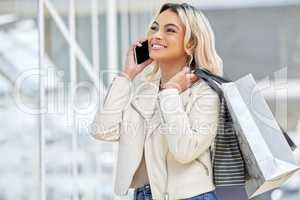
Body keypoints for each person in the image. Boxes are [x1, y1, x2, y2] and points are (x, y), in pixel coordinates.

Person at [89, 2, 223, 200]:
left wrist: (170, 93)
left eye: (170, 30)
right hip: (144, 195)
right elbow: (102, 130)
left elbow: (185, 150)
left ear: (191, 43)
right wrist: (127, 75)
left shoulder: (205, 93)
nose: (156, 35)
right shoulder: (146, 91)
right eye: (154, 28)